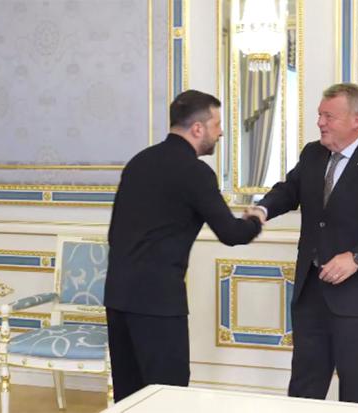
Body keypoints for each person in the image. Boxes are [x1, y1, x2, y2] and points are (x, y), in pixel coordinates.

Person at [246, 83, 358, 404]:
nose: (320, 122)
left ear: (356, 120)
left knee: (354, 383)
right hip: (311, 290)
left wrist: (357, 257)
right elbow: (289, 190)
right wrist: (262, 210)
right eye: (319, 115)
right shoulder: (313, 153)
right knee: (305, 380)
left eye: (328, 116)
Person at [104, 90, 263, 402]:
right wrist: (255, 219)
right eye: (217, 124)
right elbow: (231, 233)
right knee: (169, 395)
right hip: (158, 302)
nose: (220, 132)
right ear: (198, 128)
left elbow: (114, 233)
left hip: (117, 297)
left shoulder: (139, 162)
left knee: (129, 397)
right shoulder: (195, 172)